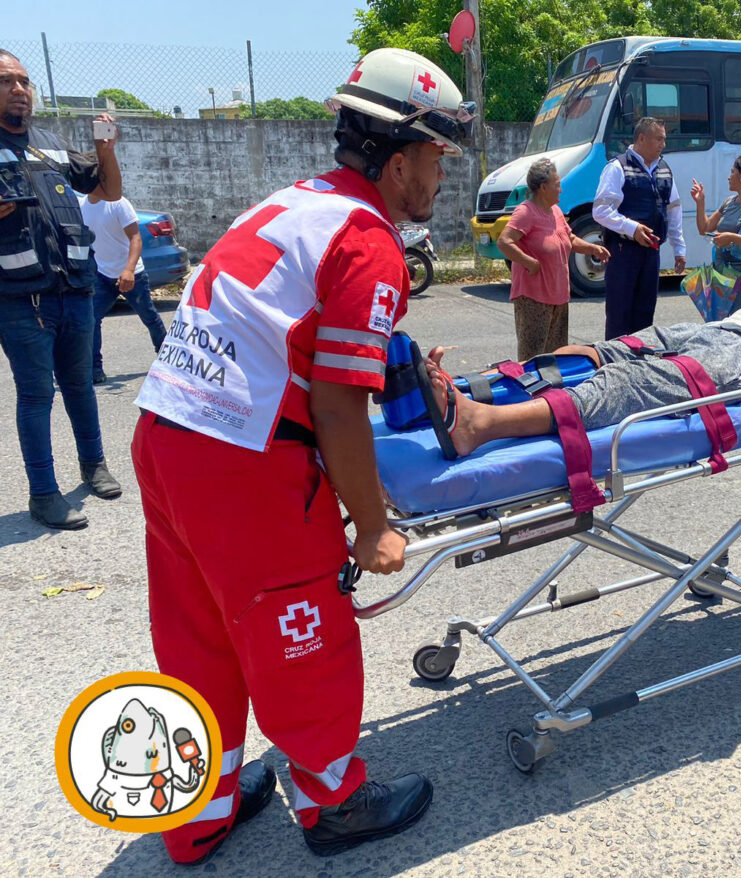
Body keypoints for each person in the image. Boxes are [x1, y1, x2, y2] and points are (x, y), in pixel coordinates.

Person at [130, 48, 474, 863]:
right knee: (301, 632)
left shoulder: (291, 205)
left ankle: (197, 810)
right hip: (244, 465)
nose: (441, 176)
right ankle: (336, 803)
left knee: (200, 633)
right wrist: (370, 525)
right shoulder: (368, 243)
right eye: (436, 157)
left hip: (166, 432)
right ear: (398, 160)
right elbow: (336, 404)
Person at [427, 274, 741, 455]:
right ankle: (471, 386)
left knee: (626, 383)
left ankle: (482, 423)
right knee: (587, 354)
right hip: (713, 331)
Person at [0, 48, 123, 530]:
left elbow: (108, 192)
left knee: (80, 387)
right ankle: (43, 492)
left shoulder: (49, 145)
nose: (18, 89)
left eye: (24, 81)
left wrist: (106, 151)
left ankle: (94, 466)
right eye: (6, 81)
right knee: (36, 396)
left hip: (75, 290)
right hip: (19, 298)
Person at [497, 158, 609, 360]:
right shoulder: (526, 212)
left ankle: (552, 392)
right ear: (543, 187)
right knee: (532, 359)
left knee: (557, 356)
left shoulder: (555, 211)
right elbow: (504, 242)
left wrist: (593, 248)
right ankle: (531, 392)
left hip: (559, 297)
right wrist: (529, 262)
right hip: (533, 299)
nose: (561, 190)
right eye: (557, 185)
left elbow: (569, 238)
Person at [593, 116, 686, 339]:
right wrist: (632, 228)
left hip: (651, 252)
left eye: (664, 139)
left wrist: (679, 249)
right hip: (624, 252)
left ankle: (639, 366)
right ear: (642, 138)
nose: (663, 144)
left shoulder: (664, 168)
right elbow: (600, 211)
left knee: (645, 315)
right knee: (619, 315)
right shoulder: (617, 167)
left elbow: (673, 210)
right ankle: (616, 366)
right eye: (659, 139)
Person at [78, 188, 167, 384]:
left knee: (149, 317)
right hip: (102, 275)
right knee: (91, 320)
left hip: (132, 274)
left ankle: (169, 360)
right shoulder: (82, 205)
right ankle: (94, 369)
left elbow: (135, 237)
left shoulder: (118, 203)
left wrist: (128, 270)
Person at [691, 155, 741, 311]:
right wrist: (700, 202)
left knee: (735, 323)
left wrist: (731, 238)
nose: (729, 177)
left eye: (732, 172)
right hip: (724, 274)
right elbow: (705, 228)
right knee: (721, 320)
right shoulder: (729, 202)